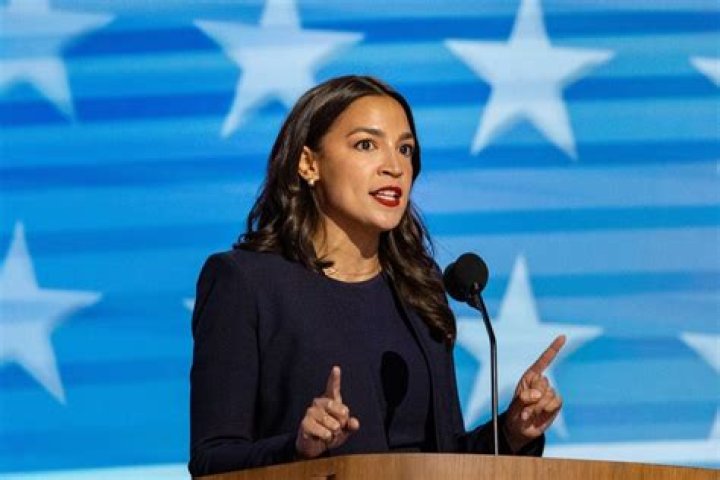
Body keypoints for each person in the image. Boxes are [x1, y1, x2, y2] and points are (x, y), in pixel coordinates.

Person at [188, 75, 565, 476]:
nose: (394, 167)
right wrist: (299, 449)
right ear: (308, 163)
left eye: (405, 149)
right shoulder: (245, 282)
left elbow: (442, 458)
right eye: (366, 144)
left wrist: (512, 433)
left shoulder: (419, 286)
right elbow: (212, 460)